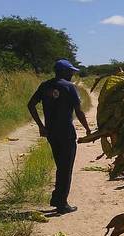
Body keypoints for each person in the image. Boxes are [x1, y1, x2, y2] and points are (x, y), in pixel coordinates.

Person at [28, 59, 91, 214]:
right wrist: (88, 129)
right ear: (63, 72)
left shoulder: (45, 86)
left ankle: (57, 198)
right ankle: (62, 204)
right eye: (70, 72)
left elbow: (30, 104)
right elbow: (79, 111)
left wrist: (41, 126)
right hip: (66, 133)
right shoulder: (69, 87)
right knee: (66, 168)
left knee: (60, 166)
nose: (72, 75)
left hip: (51, 132)